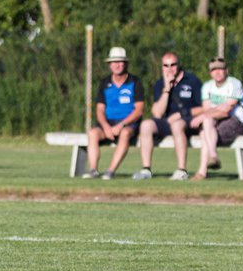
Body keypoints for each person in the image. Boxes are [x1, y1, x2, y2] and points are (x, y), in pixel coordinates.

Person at [132, 52, 202, 181]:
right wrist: (167, 88)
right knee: (146, 125)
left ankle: (181, 170)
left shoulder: (192, 81)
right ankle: (146, 169)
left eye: (173, 65)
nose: (170, 69)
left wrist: (182, 114)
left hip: (187, 121)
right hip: (166, 122)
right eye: (166, 65)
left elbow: (203, 108)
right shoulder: (160, 84)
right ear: (162, 67)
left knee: (177, 125)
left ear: (179, 65)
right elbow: (157, 113)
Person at [82, 47, 145, 179]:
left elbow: (139, 110)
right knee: (92, 133)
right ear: (110, 64)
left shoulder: (135, 82)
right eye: (114, 62)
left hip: (128, 123)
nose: (117, 65)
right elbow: (99, 109)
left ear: (125, 63)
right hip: (108, 122)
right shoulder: (104, 83)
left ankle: (110, 171)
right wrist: (105, 127)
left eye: (120, 61)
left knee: (125, 133)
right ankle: (93, 169)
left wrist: (121, 125)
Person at [191, 57, 243, 180]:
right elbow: (207, 110)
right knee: (206, 126)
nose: (217, 72)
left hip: (236, 121)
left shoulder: (234, 84)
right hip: (216, 121)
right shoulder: (207, 86)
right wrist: (208, 113)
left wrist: (206, 114)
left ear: (226, 71)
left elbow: (227, 111)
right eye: (213, 70)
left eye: (220, 69)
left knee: (205, 133)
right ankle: (212, 157)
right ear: (210, 73)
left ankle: (202, 172)